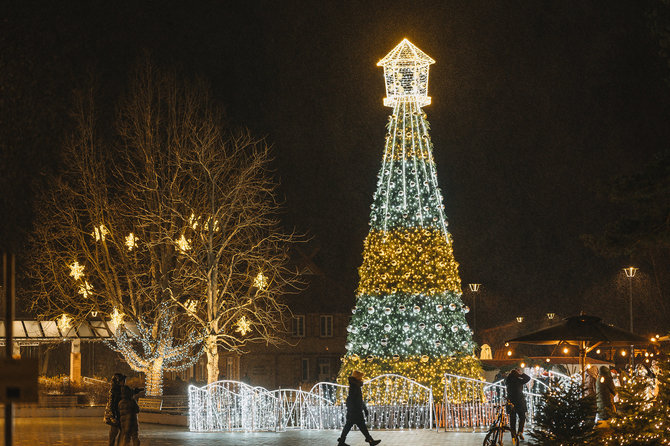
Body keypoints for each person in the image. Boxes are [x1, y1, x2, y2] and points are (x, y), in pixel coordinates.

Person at [337, 370, 381, 446]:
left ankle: (342, 442)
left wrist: (364, 408)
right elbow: (352, 399)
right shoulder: (354, 386)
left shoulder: (355, 386)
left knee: (353, 426)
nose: (362, 378)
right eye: (361, 376)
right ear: (357, 377)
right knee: (358, 425)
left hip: (355, 410)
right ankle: (370, 440)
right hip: (355, 411)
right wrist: (356, 409)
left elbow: (359, 399)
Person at [505, 368, 530, 444]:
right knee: (522, 417)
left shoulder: (508, 381)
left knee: (513, 419)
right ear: (517, 374)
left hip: (511, 402)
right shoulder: (519, 380)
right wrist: (521, 374)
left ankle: (513, 435)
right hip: (519, 401)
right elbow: (528, 378)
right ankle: (520, 431)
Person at [103, 373, 126, 446]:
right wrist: (114, 416)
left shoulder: (119, 389)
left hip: (117, 415)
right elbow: (112, 405)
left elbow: (128, 392)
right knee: (115, 432)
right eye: (122, 380)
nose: (124, 382)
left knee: (119, 431)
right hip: (115, 415)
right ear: (118, 381)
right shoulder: (115, 391)